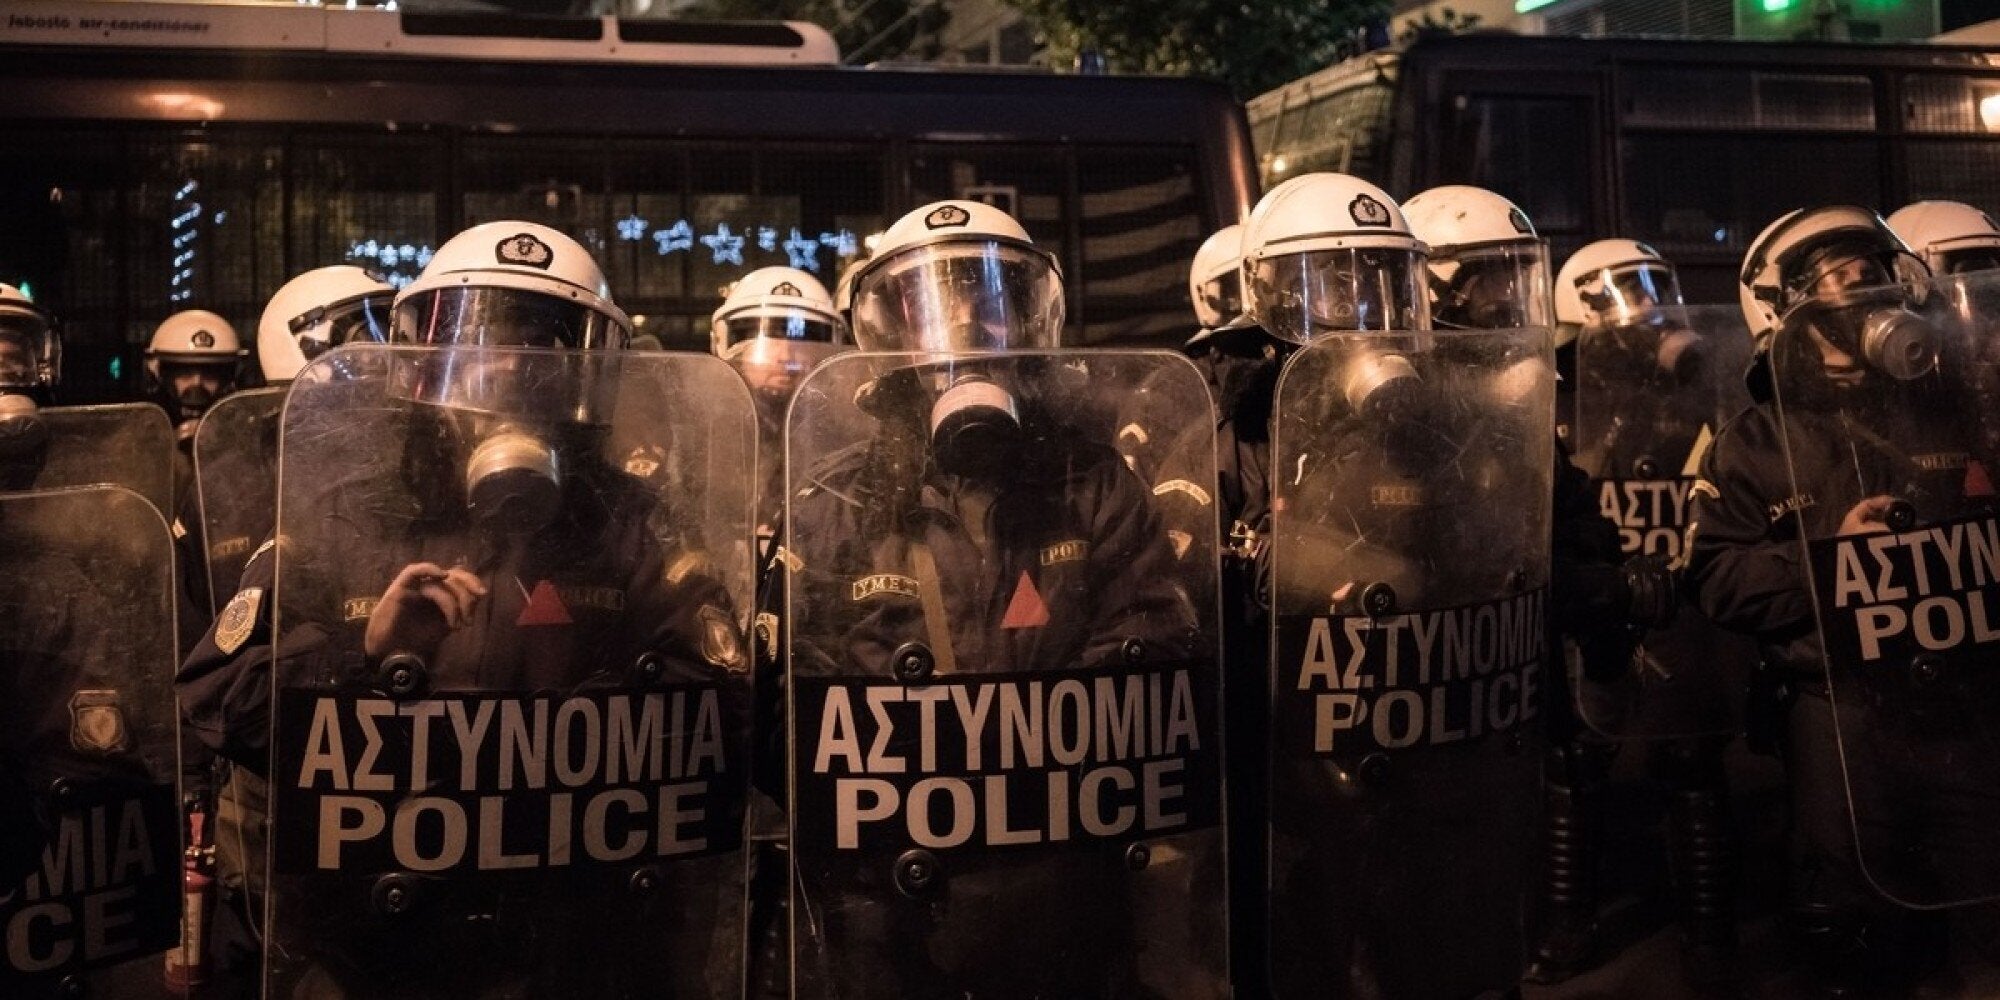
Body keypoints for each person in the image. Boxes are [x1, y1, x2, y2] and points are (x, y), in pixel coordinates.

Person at [177, 220, 753, 997]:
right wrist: (362, 654)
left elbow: (729, 710)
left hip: (573, 944)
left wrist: (589, 713)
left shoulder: (631, 523)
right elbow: (216, 697)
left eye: (543, 343)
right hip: (375, 947)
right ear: (426, 355)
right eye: (485, 338)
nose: (512, 364)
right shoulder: (346, 514)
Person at [785, 199, 1221, 998]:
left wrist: (1027, 743)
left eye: (992, 301)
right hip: (893, 895)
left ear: (1030, 322)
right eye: (935, 303)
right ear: (891, 330)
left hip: (1064, 878)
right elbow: (793, 685)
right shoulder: (836, 500)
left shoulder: (1093, 483)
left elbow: (1155, 638)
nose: (967, 326)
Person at [1685, 205, 1996, 995]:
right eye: (1841, 282)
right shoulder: (1755, 441)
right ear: (1787, 312)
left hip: (1961, 700)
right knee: (1857, 927)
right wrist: (1823, 563)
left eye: (1874, 274)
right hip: (1839, 709)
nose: (1866, 294)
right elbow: (1716, 578)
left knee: (1986, 907)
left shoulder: (1949, 410)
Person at [1540, 233, 1750, 986]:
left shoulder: (1698, 392)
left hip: (1672, 594)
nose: (1648, 310)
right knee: (1577, 758)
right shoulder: (1557, 399)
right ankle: (1566, 922)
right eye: (1627, 292)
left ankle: (1709, 934)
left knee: (1691, 755)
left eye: (1655, 287)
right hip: (1599, 596)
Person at [709, 264, 848, 999]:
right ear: (722, 342)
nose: (786, 355)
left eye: (807, 337)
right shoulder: (695, 441)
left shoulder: (853, 457)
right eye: (763, 334)